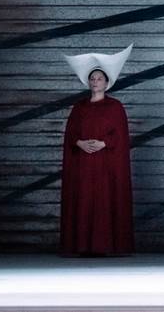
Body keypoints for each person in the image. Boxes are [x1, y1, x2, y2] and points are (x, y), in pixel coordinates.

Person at [60, 45, 135, 256]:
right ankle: (82, 245)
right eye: (92, 79)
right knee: (84, 200)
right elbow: (71, 134)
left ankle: (106, 245)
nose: (95, 82)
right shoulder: (79, 107)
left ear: (106, 82)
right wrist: (80, 143)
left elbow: (120, 134)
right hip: (84, 165)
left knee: (104, 200)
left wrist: (104, 143)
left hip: (105, 165)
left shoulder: (115, 107)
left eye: (99, 79)